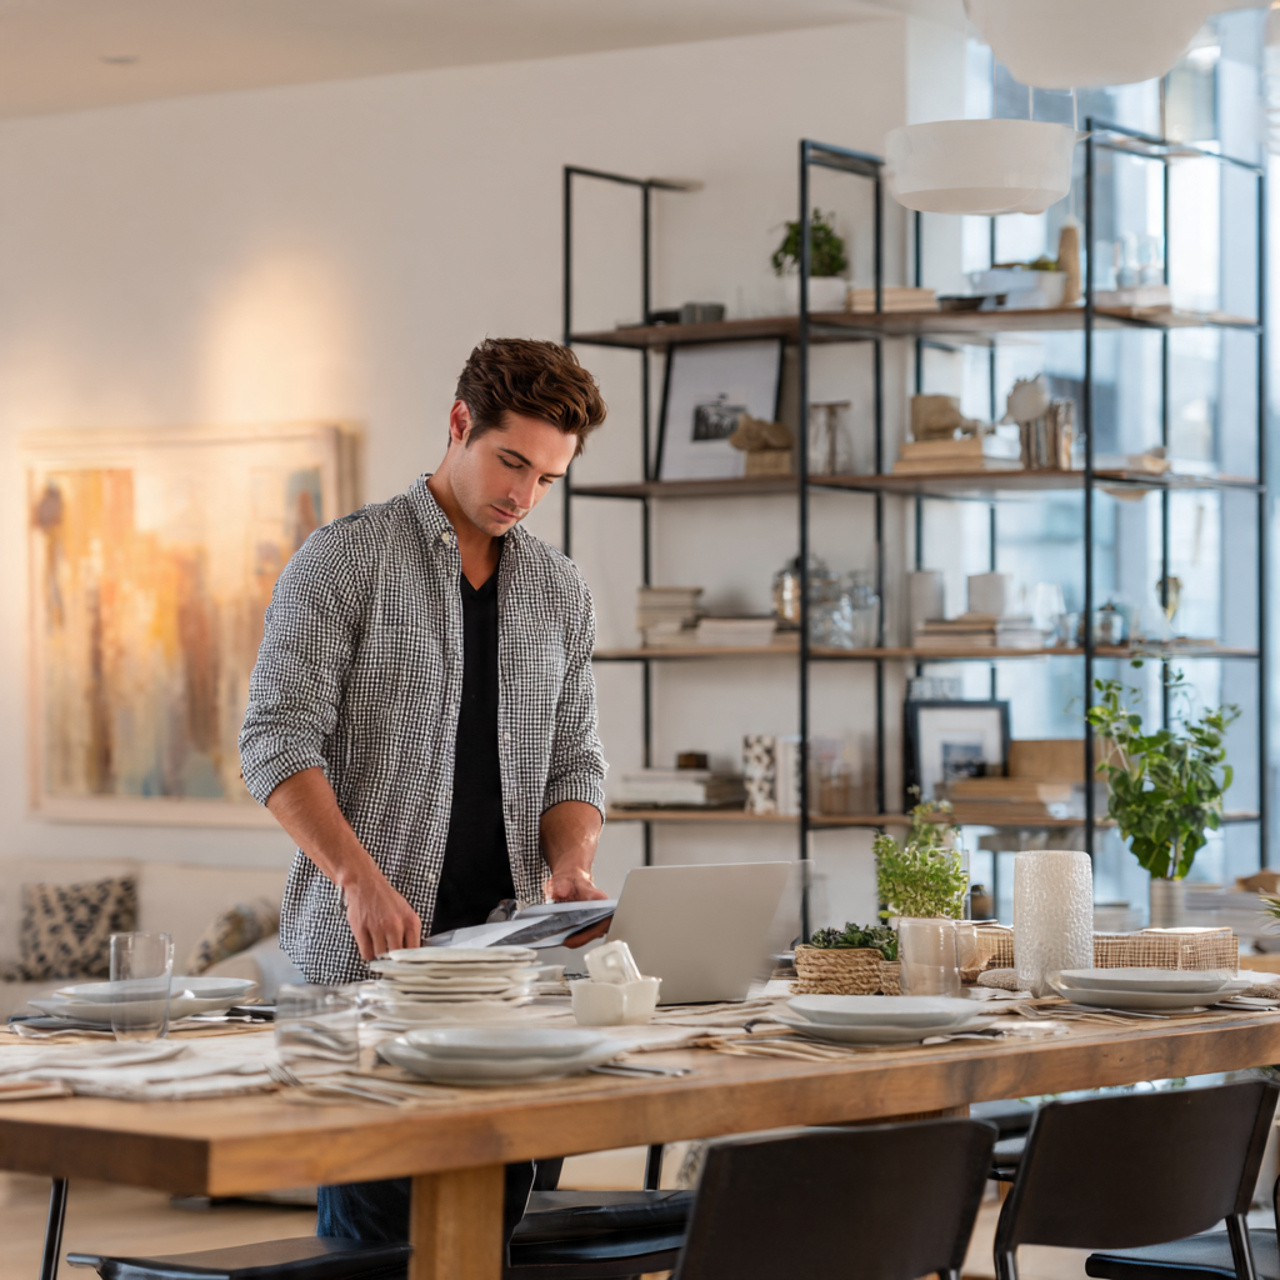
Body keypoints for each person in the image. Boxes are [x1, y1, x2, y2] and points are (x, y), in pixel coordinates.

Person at [239, 336, 611, 1245]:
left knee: (514, 1241)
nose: (523, 495)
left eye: (547, 479)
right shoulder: (343, 561)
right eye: (510, 461)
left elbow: (575, 764)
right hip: (361, 982)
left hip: (510, 982)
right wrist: (358, 878)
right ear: (458, 425)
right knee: (374, 1249)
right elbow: (273, 744)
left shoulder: (560, 591)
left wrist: (570, 864)